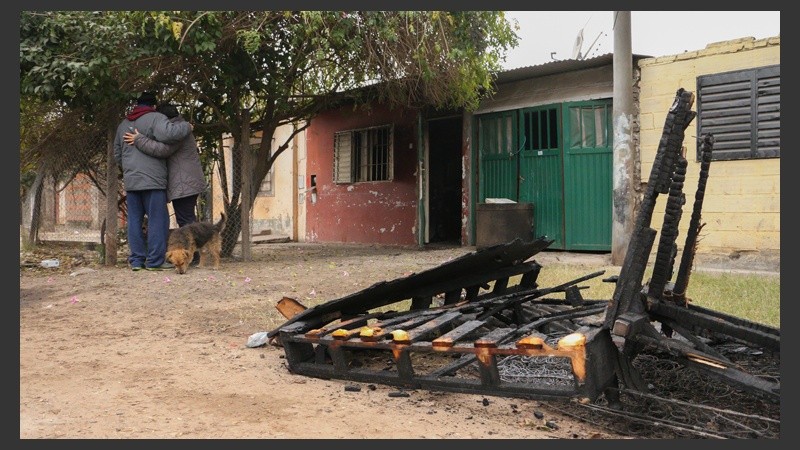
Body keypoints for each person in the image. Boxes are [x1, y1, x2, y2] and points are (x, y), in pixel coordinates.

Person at [113, 91, 193, 271]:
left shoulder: (122, 125)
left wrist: (129, 169)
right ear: (154, 106)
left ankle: (136, 261)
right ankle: (155, 261)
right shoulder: (156, 118)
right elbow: (171, 134)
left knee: (134, 220)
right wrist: (187, 126)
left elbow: (117, 155)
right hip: (153, 180)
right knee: (158, 220)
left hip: (132, 181)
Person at [123, 102, 207, 265]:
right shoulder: (180, 128)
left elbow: (162, 150)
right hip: (185, 182)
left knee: (186, 220)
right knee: (187, 218)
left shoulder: (176, 132)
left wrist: (139, 139)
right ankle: (193, 255)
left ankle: (193, 257)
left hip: (184, 183)